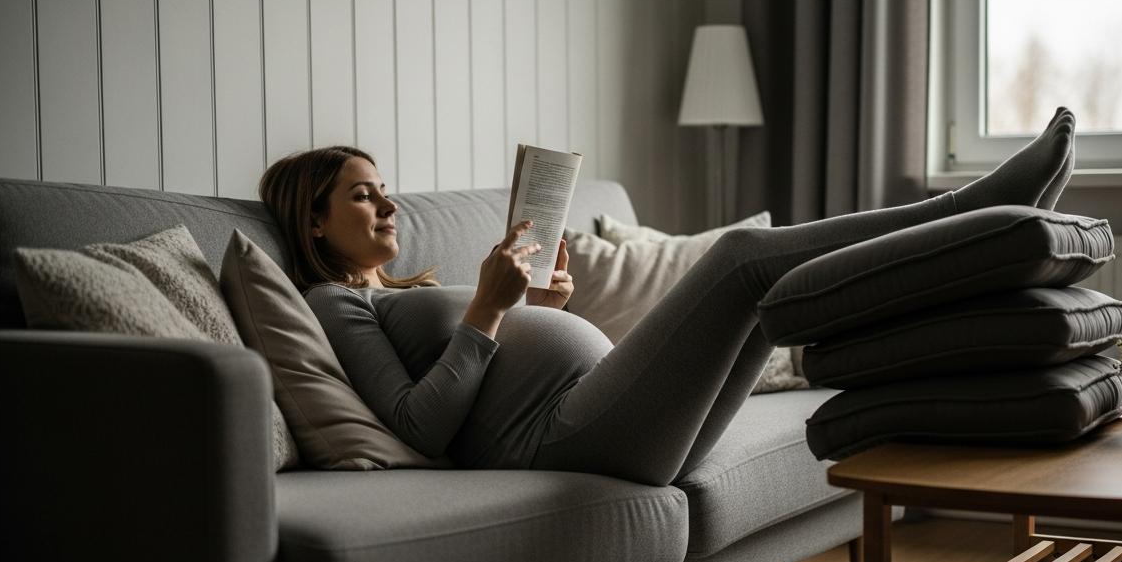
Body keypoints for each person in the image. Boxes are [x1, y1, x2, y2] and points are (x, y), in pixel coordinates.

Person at [259, 109, 1076, 487]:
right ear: (317, 223)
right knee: (743, 257)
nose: (389, 206)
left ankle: (972, 229)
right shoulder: (334, 306)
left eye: (385, 190)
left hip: (599, 413)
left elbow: (494, 368)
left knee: (772, 287)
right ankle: (967, 212)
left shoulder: (410, 289)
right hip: (568, 438)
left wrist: (551, 306)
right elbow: (416, 427)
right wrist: (490, 311)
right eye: (364, 196)